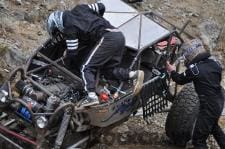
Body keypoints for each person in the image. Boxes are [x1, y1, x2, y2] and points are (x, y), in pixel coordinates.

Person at [46, 2, 144, 107]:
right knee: (107, 71)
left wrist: (67, 63)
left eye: (57, 31)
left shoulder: (69, 28)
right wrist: (97, 21)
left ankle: (91, 96)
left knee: (85, 67)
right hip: (119, 36)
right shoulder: (81, 8)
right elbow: (101, 6)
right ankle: (133, 74)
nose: (61, 34)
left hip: (107, 37)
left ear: (57, 24)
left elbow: (73, 53)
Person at [166, 39, 225, 149]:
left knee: (198, 140)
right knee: (213, 127)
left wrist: (172, 71)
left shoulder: (195, 70)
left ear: (189, 55)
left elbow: (179, 79)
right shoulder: (215, 63)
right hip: (220, 101)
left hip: (208, 106)